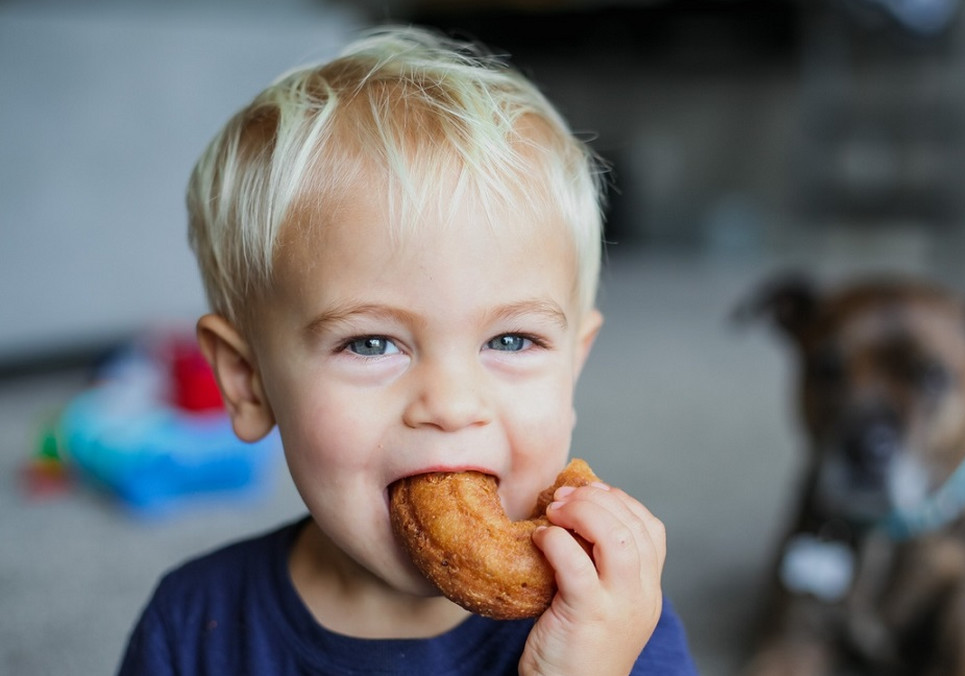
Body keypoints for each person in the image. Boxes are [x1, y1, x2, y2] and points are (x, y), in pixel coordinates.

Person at [117, 25, 697, 675]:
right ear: (248, 381)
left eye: (511, 340)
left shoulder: (613, 628)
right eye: (371, 343)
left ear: (574, 364)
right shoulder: (194, 628)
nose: (451, 405)